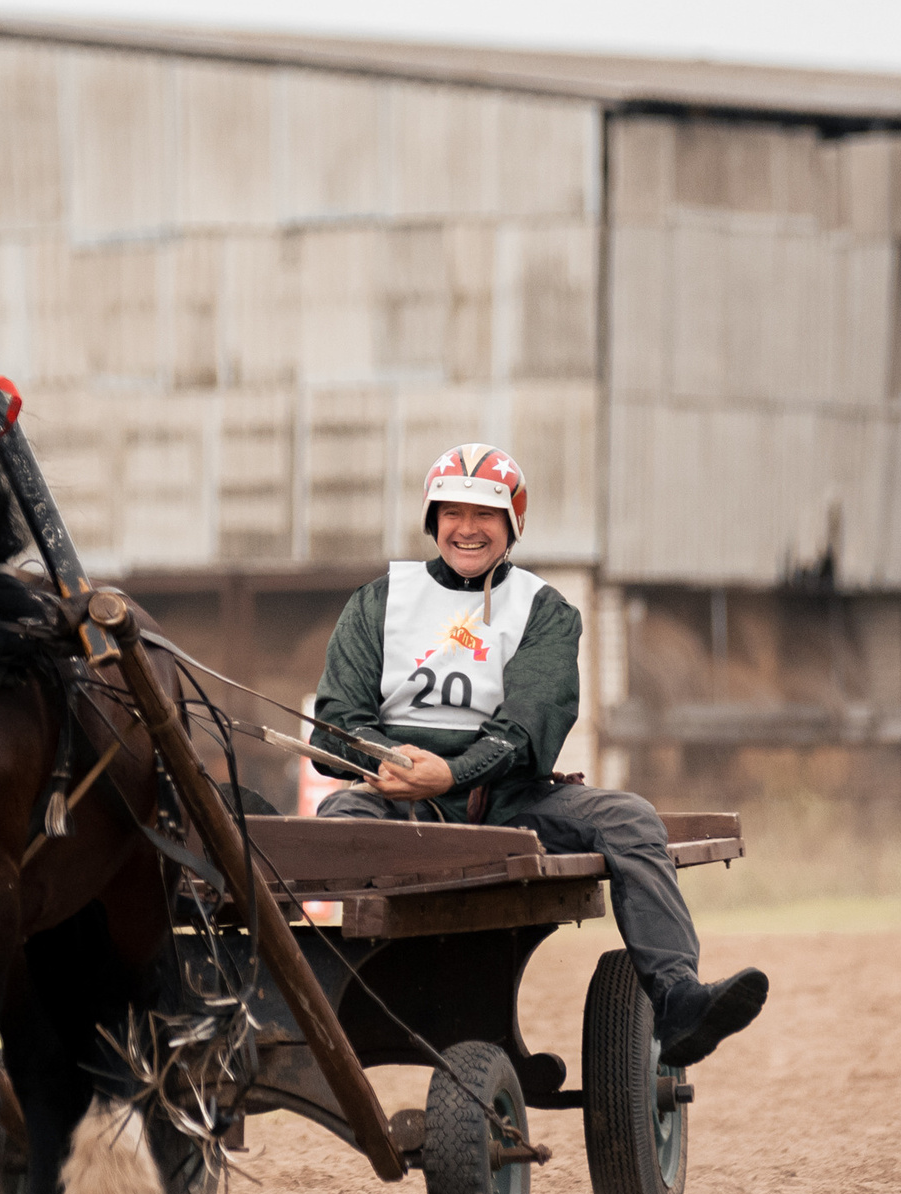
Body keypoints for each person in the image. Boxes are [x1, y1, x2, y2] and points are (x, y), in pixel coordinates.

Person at [307, 444, 769, 1069]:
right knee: (336, 822)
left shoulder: (545, 611)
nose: (467, 528)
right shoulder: (377, 602)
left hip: (509, 801)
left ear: (512, 523)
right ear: (432, 518)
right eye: (453, 512)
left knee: (630, 817)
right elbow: (336, 727)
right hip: (396, 802)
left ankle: (677, 1000)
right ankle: (308, 1005)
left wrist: (452, 772)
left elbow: (527, 730)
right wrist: (396, 763)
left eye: (485, 514)